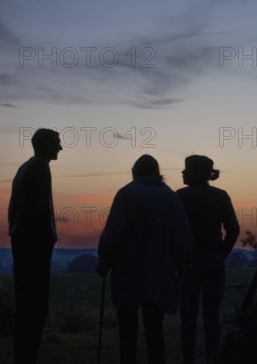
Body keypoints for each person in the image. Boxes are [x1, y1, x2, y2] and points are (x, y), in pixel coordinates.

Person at [97, 154, 194, 364]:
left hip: (127, 271)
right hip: (159, 272)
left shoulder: (126, 194)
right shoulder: (170, 197)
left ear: (134, 172)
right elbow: (183, 237)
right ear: (157, 173)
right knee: (154, 328)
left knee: (127, 328)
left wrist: (104, 261)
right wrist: (183, 266)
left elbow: (112, 233)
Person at [177, 155, 240, 364]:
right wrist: (222, 253)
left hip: (189, 262)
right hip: (214, 260)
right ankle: (214, 358)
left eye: (186, 169)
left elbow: (172, 231)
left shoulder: (180, 197)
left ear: (195, 172)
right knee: (212, 315)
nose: (182, 172)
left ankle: (188, 359)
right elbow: (233, 230)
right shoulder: (221, 196)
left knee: (188, 316)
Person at [7, 128, 62, 364]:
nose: (60, 148)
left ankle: (23, 355)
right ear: (45, 144)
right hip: (34, 247)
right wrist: (49, 235)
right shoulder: (40, 167)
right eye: (57, 143)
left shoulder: (24, 168)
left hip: (22, 243)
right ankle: (28, 356)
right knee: (36, 306)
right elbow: (40, 209)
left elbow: (13, 210)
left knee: (25, 304)